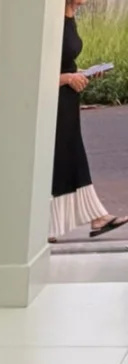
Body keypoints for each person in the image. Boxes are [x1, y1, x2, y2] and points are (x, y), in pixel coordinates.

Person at [51, 1, 128, 241]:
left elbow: (64, 63)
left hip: (67, 100)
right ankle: (48, 225)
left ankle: (96, 216)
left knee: (71, 156)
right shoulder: (52, 21)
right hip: (54, 102)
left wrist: (83, 72)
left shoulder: (70, 17)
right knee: (58, 159)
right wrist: (67, 78)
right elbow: (35, 71)